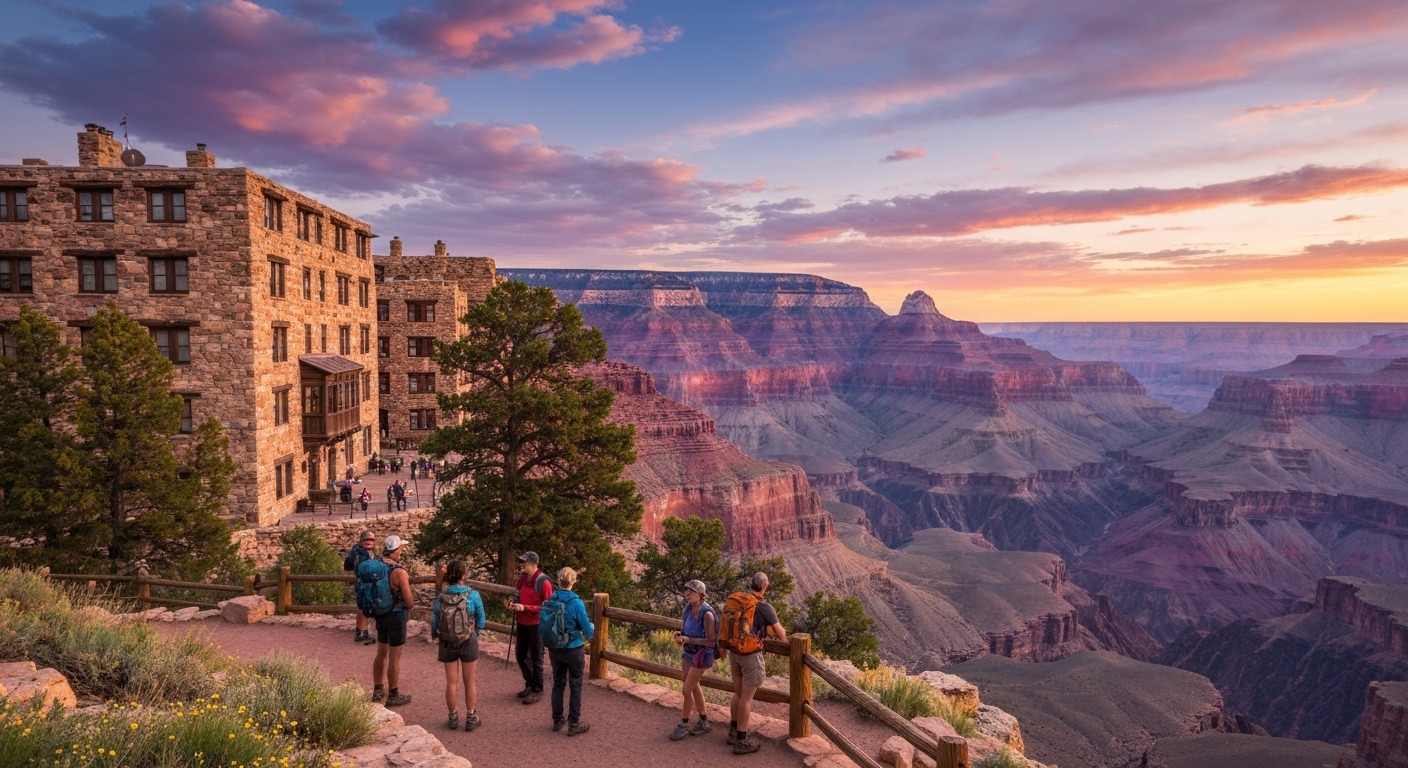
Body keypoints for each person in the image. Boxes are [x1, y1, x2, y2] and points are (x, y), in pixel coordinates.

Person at [724, 572, 787, 755]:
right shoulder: (765, 607)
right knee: (746, 698)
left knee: (738, 694)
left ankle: (733, 732)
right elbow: (782, 635)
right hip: (751, 655)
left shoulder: (740, 602)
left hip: (734, 653)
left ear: (751, 585)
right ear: (765, 586)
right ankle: (741, 741)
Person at [432, 560, 486, 731]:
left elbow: (435, 622)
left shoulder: (441, 597)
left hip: (447, 642)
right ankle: (471, 716)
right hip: (468, 640)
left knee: (451, 682)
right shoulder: (473, 595)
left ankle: (453, 716)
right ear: (464, 575)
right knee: (469, 681)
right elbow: (482, 621)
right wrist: (474, 631)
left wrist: (437, 635)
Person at [544, 567, 593, 736]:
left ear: (559, 580)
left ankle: (557, 719)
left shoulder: (552, 598)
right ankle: (574, 723)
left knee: (558, 683)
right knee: (576, 684)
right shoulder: (576, 602)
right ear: (573, 581)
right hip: (573, 648)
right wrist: (591, 630)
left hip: (555, 647)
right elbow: (588, 629)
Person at [670, 580, 717, 741]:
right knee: (693, 685)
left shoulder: (707, 614)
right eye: (686, 590)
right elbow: (685, 630)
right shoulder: (688, 609)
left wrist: (689, 639)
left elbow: (711, 642)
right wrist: (680, 636)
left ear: (701, 595)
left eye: (691, 591)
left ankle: (683, 724)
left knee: (686, 690)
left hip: (701, 656)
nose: (687, 593)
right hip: (688, 653)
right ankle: (704, 721)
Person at [371, 535, 414, 707]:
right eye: (400, 550)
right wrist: (408, 608)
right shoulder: (399, 572)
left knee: (381, 653)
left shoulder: (377, 567)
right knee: (394, 657)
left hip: (380, 613)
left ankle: (377, 690)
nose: (401, 553)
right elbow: (409, 600)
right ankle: (393, 693)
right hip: (396, 615)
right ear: (395, 551)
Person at [508, 551, 552, 704]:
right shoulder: (522, 579)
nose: (523, 565)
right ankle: (530, 683)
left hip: (537, 624)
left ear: (533, 564)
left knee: (536, 657)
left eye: (525, 562)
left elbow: (547, 607)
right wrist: (513, 604)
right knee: (521, 654)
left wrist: (525, 608)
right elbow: (517, 594)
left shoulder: (543, 582)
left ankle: (538, 689)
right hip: (522, 622)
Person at [342, 530, 377, 644]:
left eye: (371, 539)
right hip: (364, 583)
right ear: (361, 540)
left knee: (363, 607)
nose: (369, 541)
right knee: (364, 607)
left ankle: (362, 631)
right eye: (366, 539)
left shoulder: (356, 551)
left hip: (362, 582)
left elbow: (347, 566)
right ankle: (361, 633)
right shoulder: (361, 553)